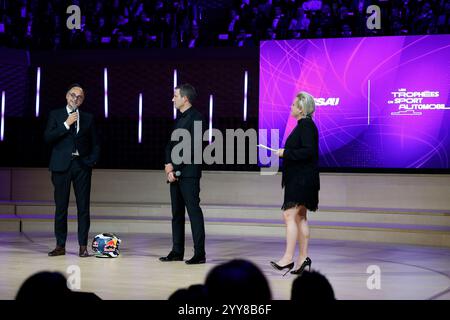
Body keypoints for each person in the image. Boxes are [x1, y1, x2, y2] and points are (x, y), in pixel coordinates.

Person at [44, 84, 100, 257]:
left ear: (82, 100)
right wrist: (66, 124)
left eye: (80, 96)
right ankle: (60, 245)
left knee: (83, 207)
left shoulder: (88, 118)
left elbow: (95, 143)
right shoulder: (55, 115)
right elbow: (48, 137)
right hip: (61, 166)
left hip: (81, 166)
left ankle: (83, 246)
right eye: (73, 95)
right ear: (67, 96)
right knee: (61, 207)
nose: (75, 98)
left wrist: (90, 161)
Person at [270, 91, 319, 275]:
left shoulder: (306, 126)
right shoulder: (305, 125)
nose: (290, 107)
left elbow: (308, 152)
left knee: (289, 216)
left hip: (301, 179)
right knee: (300, 217)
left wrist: (286, 153)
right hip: (304, 178)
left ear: (301, 108)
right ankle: (302, 259)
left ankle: (288, 259)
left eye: (293, 105)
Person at [160, 83, 206, 265]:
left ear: (185, 98)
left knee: (193, 212)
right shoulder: (179, 119)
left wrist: (175, 169)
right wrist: (167, 164)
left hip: (188, 173)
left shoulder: (197, 118)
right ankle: (177, 251)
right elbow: (170, 145)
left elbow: (193, 148)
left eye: (175, 95)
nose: (172, 98)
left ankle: (199, 253)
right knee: (176, 213)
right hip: (175, 172)